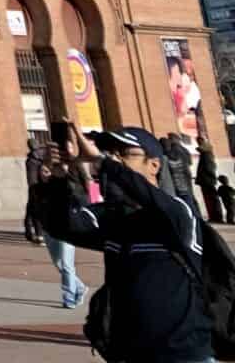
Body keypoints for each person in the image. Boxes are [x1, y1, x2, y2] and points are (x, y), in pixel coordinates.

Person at [37, 124, 211, 357]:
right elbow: (62, 226)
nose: (115, 158)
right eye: (111, 152)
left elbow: (148, 196)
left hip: (184, 355)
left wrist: (103, 162)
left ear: (154, 165)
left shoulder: (178, 213)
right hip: (129, 353)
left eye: (125, 153)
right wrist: (58, 178)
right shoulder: (112, 217)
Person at [27, 134, 83, 309]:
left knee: (66, 264)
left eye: (48, 170)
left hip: (66, 227)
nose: (45, 173)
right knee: (58, 263)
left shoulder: (64, 185)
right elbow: (33, 208)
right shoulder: (37, 189)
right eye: (42, 171)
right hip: (49, 229)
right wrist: (31, 228)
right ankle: (79, 287)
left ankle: (69, 298)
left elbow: (77, 192)